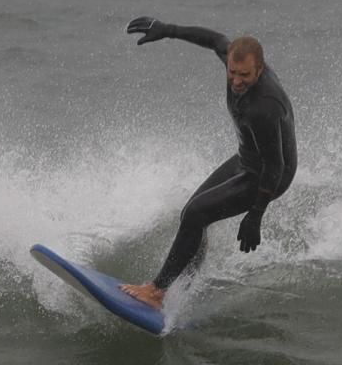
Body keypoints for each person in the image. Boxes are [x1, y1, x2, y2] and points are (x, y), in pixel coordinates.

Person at [120, 16, 297, 310]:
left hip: (270, 174)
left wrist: (255, 215)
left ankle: (156, 292)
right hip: (247, 159)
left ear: (260, 69)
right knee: (193, 212)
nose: (237, 82)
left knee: (194, 215)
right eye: (232, 73)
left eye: (246, 76)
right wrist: (168, 30)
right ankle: (186, 284)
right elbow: (214, 39)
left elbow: (275, 165)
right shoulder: (233, 61)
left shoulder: (265, 107)